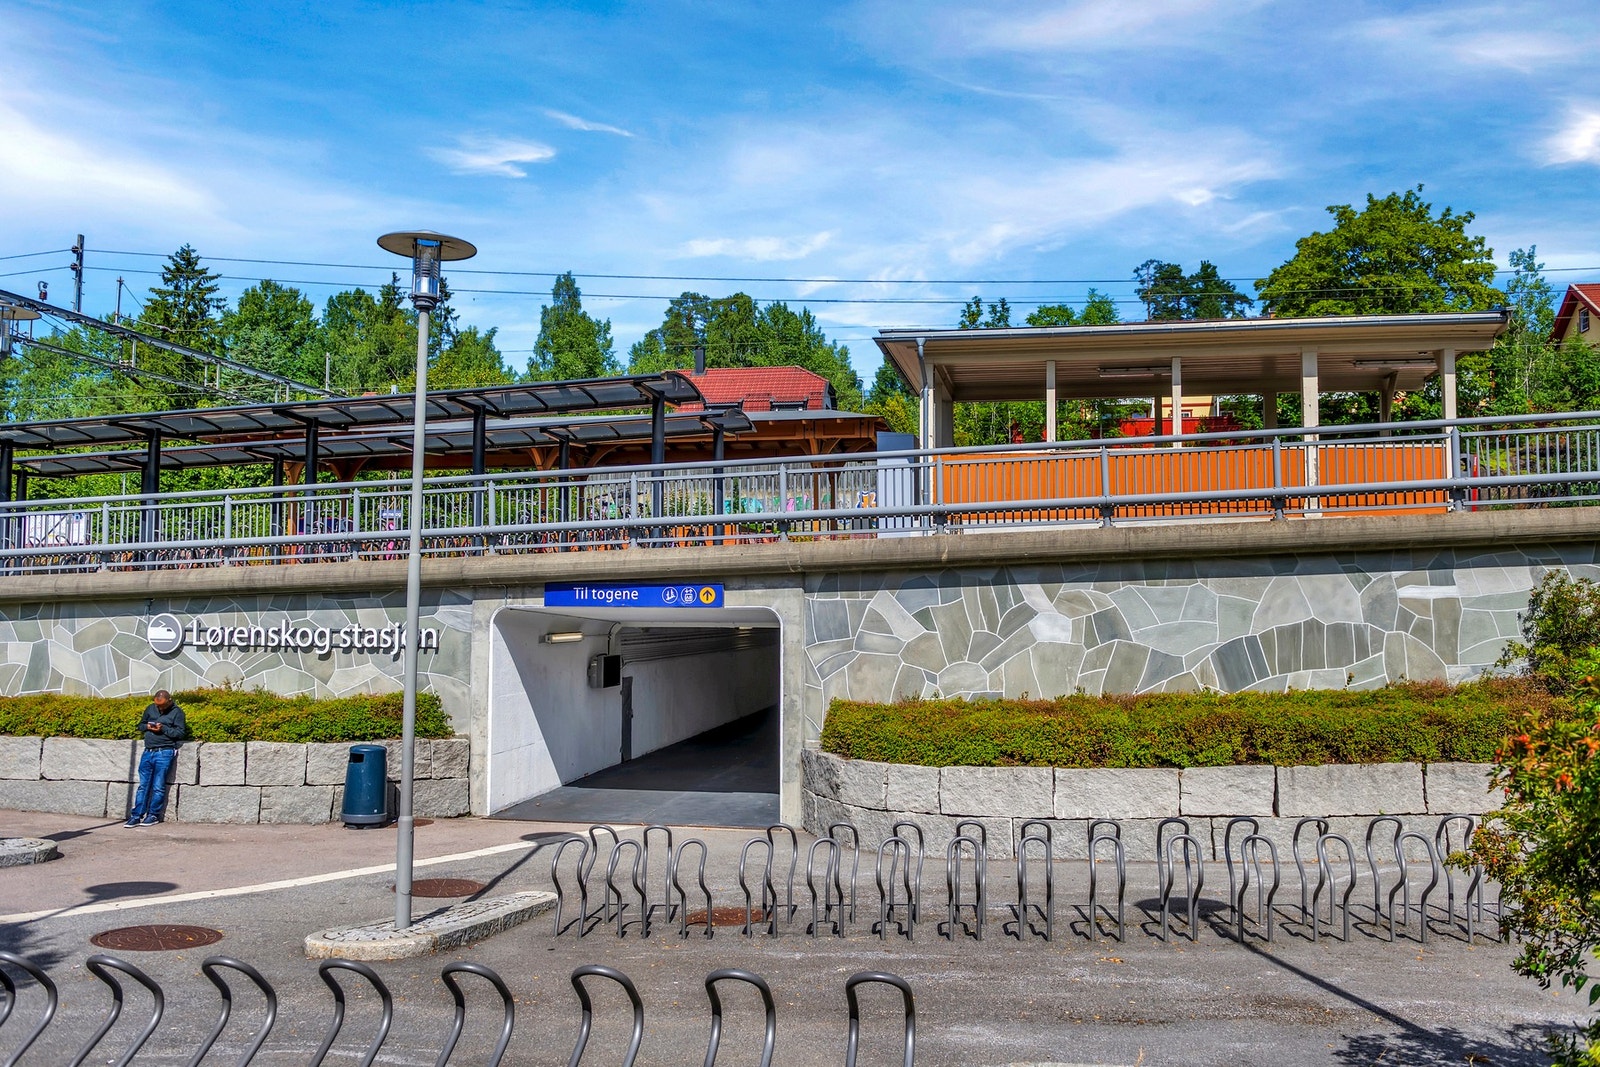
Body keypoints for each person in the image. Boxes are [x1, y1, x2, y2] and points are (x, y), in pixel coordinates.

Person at [125, 690, 186, 827]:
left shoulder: (177, 712)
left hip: (164, 752)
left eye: (163, 706)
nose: (160, 708)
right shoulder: (150, 708)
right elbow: (140, 726)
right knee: (143, 786)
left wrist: (163, 729)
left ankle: (153, 815)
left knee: (158, 786)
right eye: (157, 705)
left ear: (169, 701)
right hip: (148, 751)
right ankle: (136, 815)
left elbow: (180, 733)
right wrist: (147, 726)